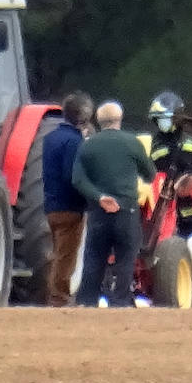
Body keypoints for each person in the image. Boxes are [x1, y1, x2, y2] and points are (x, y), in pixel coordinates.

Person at [71, 101, 156, 308]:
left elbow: (77, 180)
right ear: (120, 119)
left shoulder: (87, 145)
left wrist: (99, 197)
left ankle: (87, 302)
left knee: (94, 260)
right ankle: (120, 302)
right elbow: (150, 174)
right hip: (127, 210)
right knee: (126, 259)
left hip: (99, 212)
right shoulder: (132, 143)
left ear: (98, 121)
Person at [41, 91, 93, 307]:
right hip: (70, 206)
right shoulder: (74, 141)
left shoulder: (50, 138)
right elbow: (72, 175)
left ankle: (52, 292)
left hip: (51, 204)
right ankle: (59, 297)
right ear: (84, 116)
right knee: (67, 255)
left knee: (57, 251)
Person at [146, 91, 192, 238]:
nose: (161, 122)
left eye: (164, 118)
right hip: (163, 208)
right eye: (158, 119)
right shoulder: (154, 143)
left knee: (188, 251)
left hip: (190, 208)